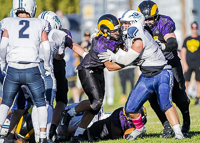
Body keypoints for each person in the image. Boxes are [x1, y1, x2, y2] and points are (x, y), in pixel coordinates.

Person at [98, 10, 184, 140]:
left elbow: (127, 60)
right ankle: (139, 128)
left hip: (161, 72)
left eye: (126, 23)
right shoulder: (130, 35)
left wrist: (112, 56)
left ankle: (178, 132)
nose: (124, 26)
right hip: (147, 75)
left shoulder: (138, 36)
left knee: (165, 103)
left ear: (134, 23)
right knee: (130, 108)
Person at [59, 14, 125, 142]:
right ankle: (68, 114)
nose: (118, 32)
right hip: (87, 70)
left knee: (96, 107)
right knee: (96, 102)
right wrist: (129, 62)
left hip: (98, 70)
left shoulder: (112, 36)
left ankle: (78, 135)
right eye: (114, 30)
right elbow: (111, 67)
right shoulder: (100, 43)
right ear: (105, 32)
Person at [137, 0, 191, 138]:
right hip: (152, 66)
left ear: (156, 16)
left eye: (150, 19)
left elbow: (172, 41)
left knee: (179, 97)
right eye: (145, 19)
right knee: (153, 97)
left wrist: (163, 46)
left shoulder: (164, 22)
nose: (148, 22)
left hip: (170, 62)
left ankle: (186, 117)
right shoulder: (137, 25)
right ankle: (166, 125)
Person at [0, 0, 51, 143]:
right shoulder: (39, 23)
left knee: (5, 103)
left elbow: (3, 46)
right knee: (41, 103)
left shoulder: (7, 22)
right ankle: (42, 137)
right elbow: (46, 48)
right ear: (31, 8)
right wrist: (46, 65)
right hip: (32, 69)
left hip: (13, 69)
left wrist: (3, 62)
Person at [38, 10, 87, 141]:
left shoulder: (36, 31)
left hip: (37, 66)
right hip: (56, 65)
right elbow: (61, 54)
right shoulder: (61, 32)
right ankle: (51, 129)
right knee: (58, 100)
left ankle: (43, 131)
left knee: (41, 101)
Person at [181, 21, 200, 105]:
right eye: (193, 28)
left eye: (196, 28)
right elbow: (183, 52)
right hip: (188, 63)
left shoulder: (199, 39)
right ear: (191, 28)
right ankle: (185, 98)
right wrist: (184, 63)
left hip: (198, 63)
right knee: (186, 81)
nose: (194, 30)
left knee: (198, 82)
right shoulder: (187, 39)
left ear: (197, 29)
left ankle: (197, 99)